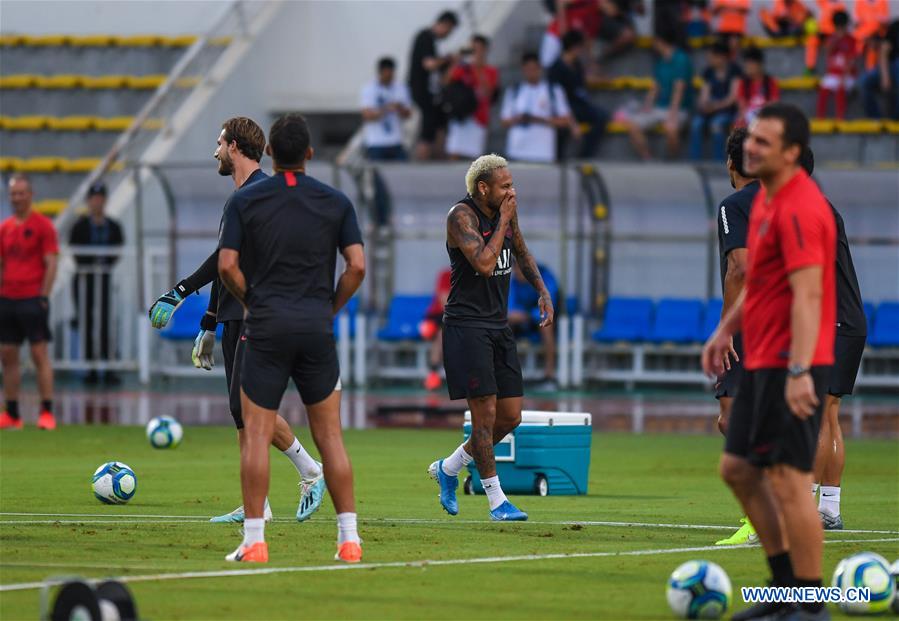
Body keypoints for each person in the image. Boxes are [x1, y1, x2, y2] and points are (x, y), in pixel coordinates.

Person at [147, 117, 325, 525]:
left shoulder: (257, 194)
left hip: (256, 315)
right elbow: (229, 264)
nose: (215, 152)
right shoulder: (245, 196)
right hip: (234, 315)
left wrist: (179, 292)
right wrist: (210, 322)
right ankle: (256, 504)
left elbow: (221, 262)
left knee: (251, 410)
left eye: (219, 143)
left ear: (235, 147)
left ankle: (310, 470)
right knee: (239, 412)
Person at [703, 102, 836, 621]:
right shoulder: (764, 204)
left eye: (764, 142)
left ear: (792, 153)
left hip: (791, 362)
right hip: (760, 357)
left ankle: (809, 599)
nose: (751, 148)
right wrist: (726, 329)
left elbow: (807, 296)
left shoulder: (802, 206)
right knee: (738, 468)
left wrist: (802, 370)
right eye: (751, 139)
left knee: (786, 476)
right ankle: (785, 590)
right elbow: (759, 283)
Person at [218, 113, 366, 563]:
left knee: (256, 433)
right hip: (315, 328)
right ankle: (349, 540)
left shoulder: (247, 201)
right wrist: (330, 308)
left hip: (265, 327)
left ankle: (256, 540)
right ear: (309, 154)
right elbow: (357, 266)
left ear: (269, 154)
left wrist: (253, 302)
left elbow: (226, 266)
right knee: (331, 439)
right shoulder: (335, 201)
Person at [429, 154, 555, 522]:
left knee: (510, 416)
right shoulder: (461, 217)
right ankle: (497, 500)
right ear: (483, 188)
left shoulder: (506, 213)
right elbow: (484, 265)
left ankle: (449, 467)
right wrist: (502, 220)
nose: (512, 191)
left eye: (512, 184)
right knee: (483, 418)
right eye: (505, 186)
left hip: (499, 327)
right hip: (467, 328)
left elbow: (521, 251)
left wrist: (542, 291)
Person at [803, 146, 867, 532]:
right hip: (845, 322)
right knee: (828, 414)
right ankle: (828, 508)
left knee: (817, 414)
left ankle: (805, 505)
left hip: (835, 323)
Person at [710, 127, 759, 547]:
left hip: (751, 324)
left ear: (730, 164)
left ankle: (758, 518)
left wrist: (726, 329)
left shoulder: (734, 205)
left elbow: (739, 269)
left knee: (733, 418)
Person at [0, 174, 58, 431]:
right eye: (13, 194)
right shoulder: (5, 228)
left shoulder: (43, 226)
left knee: (38, 354)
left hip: (32, 298)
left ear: (30, 195)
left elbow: (52, 261)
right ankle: (12, 413)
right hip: (7, 298)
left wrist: (44, 295)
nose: (17, 198)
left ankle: (46, 412)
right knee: (8, 354)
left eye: (21, 193)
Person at [69, 181, 124, 385]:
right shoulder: (80, 226)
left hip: (104, 279)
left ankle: (108, 367)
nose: (97, 202)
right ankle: (91, 368)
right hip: (85, 280)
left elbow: (117, 250)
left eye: (100, 198)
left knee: (106, 323)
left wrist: (104, 265)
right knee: (87, 322)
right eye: (94, 198)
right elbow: (76, 251)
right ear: (89, 201)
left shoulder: (113, 226)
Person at [621, 29, 693, 160]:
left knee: (671, 129)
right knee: (633, 124)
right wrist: (647, 106)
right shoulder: (661, 61)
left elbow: (679, 88)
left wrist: (673, 113)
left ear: (661, 41)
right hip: (660, 108)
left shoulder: (681, 59)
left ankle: (672, 162)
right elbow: (655, 87)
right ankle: (648, 158)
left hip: (678, 108)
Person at [501, 53, 577, 163]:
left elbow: (565, 120)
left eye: (534, 69)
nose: (531, 73)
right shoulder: (514, 91)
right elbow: (504, 121)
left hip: (542, 153)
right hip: (517, 151)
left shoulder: (553, 90)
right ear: (523, 70)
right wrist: (519, 119)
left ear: (540, 69)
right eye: (528, 69)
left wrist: (539, 119)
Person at [549, 30, 609, 159]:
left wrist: (603, 79)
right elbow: (558, 100)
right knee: (562, 128)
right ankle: (558, 158)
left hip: (580, 104)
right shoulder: (556, 69)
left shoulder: (576, 64)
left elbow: (583, 80)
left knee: (602, 116)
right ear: (575, 47)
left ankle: (585, 156)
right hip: (564, 108)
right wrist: (572, 123)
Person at [408, 10, 459, 160]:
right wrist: (447, 59)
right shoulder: (425, 37)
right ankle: (424, 161)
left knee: (439, 125)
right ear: (445, 24)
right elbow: (429, 65)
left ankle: (436, 159)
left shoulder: (432, 41)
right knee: (427, 130)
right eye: (449, 30)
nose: (448, 35)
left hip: (433, 94)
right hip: (422, 91)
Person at [444, 35, 500, 160]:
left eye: (478, 49)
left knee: (475, 158)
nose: (475, 52)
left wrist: (478, 68)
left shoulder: (491, 71)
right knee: (454, 151)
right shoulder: (464, 67)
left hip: (479, 117)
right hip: (462, 115)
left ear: (485, 50)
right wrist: (456, 62)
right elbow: (447, 81)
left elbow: (488, 93)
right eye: (472, 49)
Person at [509, 260, 560, 390]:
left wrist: (528, 315)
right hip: (525, 321)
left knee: (545, 325)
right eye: (516, 271)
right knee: (504, 323)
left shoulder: (545, 278)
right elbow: (510, 308)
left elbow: (549, 304)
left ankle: (549, 375)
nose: (518, 274)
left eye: (521, 271)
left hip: (546, 319)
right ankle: (506, 372)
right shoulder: (514, 282)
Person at [688, 40, 742, 161]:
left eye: (711, 56)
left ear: (722, 57)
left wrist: (715, 107)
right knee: (696, 124)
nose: (709, 59)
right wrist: (703, 104)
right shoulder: (709, 71)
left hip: (727, 111)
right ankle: (694, 160)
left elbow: (732, 98)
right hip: (711, 109)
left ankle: (717, 162)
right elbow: (704, 94)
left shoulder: (735, 70)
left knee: (716, 124)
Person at [361, 57, 412, 161]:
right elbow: (367, 116)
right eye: (387, 72)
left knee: (403, 173)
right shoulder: (369, 89)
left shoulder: (401, 88)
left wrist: (399, 108)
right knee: (377, 175)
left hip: (396, 141)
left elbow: (408, 115)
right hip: (376, 142)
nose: (389, 75)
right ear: (380, 72)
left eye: (392, 72)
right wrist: (386, 109)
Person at [816, 10, 857, 119]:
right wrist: (835, 40)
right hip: (833, 74)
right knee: (823, 91)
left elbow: (852, 60)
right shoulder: (831, 39)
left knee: (840, 90)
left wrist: (844, 77)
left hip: (847, 75)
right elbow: (828, 52)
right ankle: (820, 119)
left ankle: (840, 118)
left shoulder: (851, 40)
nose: (840, 30)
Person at [539, 0, 601, 68]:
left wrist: (591, 61)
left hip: (572, 41)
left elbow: (588, 39)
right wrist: (563, 26)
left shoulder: (595, 16)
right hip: (556, 33)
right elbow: (560, 2)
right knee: (547, 62)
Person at [860, 18, 899, 119]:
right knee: (864, 82)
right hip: (890, 66)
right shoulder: (896, 26)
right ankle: (876, 119)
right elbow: (884, 52)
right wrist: (885, 77)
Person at [422, 268, 452, 392]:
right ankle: (433, 374)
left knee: (441, 335)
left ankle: (433, 373)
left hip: (456, 320)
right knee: (437, 333)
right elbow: (444, 302)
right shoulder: (446, 274)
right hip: (438, 316)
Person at [735, 47, 780, 127]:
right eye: (747, 64)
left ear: (759, 65)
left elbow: (774, 103)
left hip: (765, 117)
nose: (748, 67)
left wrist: (760, 114)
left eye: (751, 64)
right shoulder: (743, 83)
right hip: (747, 119)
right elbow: (741, 106)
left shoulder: (770, 82)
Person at [805, 0, 848, 75]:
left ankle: (832, 69)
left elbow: (840, 24)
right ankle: (810, 67)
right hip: (821, 32)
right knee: (812, 40)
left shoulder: (840, 6)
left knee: (831, 47)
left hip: (832, 34)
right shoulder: (824, 2)